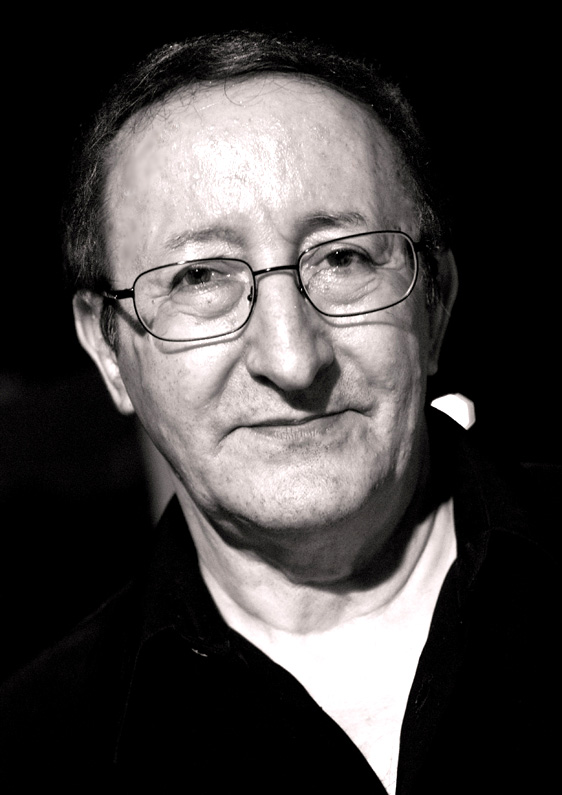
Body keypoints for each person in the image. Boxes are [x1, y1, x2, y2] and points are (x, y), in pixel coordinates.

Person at [0, 30, 556, 792]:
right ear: (109, 349)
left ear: (436, 303)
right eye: (200, 277)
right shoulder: (32, 753)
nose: (293, 359)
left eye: (344, 258)